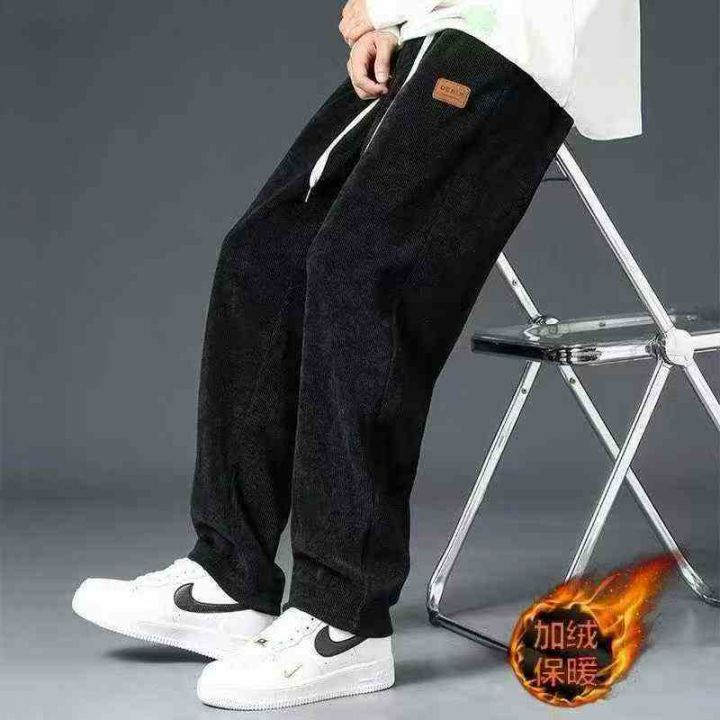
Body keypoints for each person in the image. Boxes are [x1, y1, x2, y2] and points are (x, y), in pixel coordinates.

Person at [72, 0, 642, 711]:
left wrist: (386, 5)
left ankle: (344, 617)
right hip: (433, 24)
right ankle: (228, 577)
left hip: (521, 32)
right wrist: (390, 20)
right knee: (263, 257)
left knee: (360, 270)